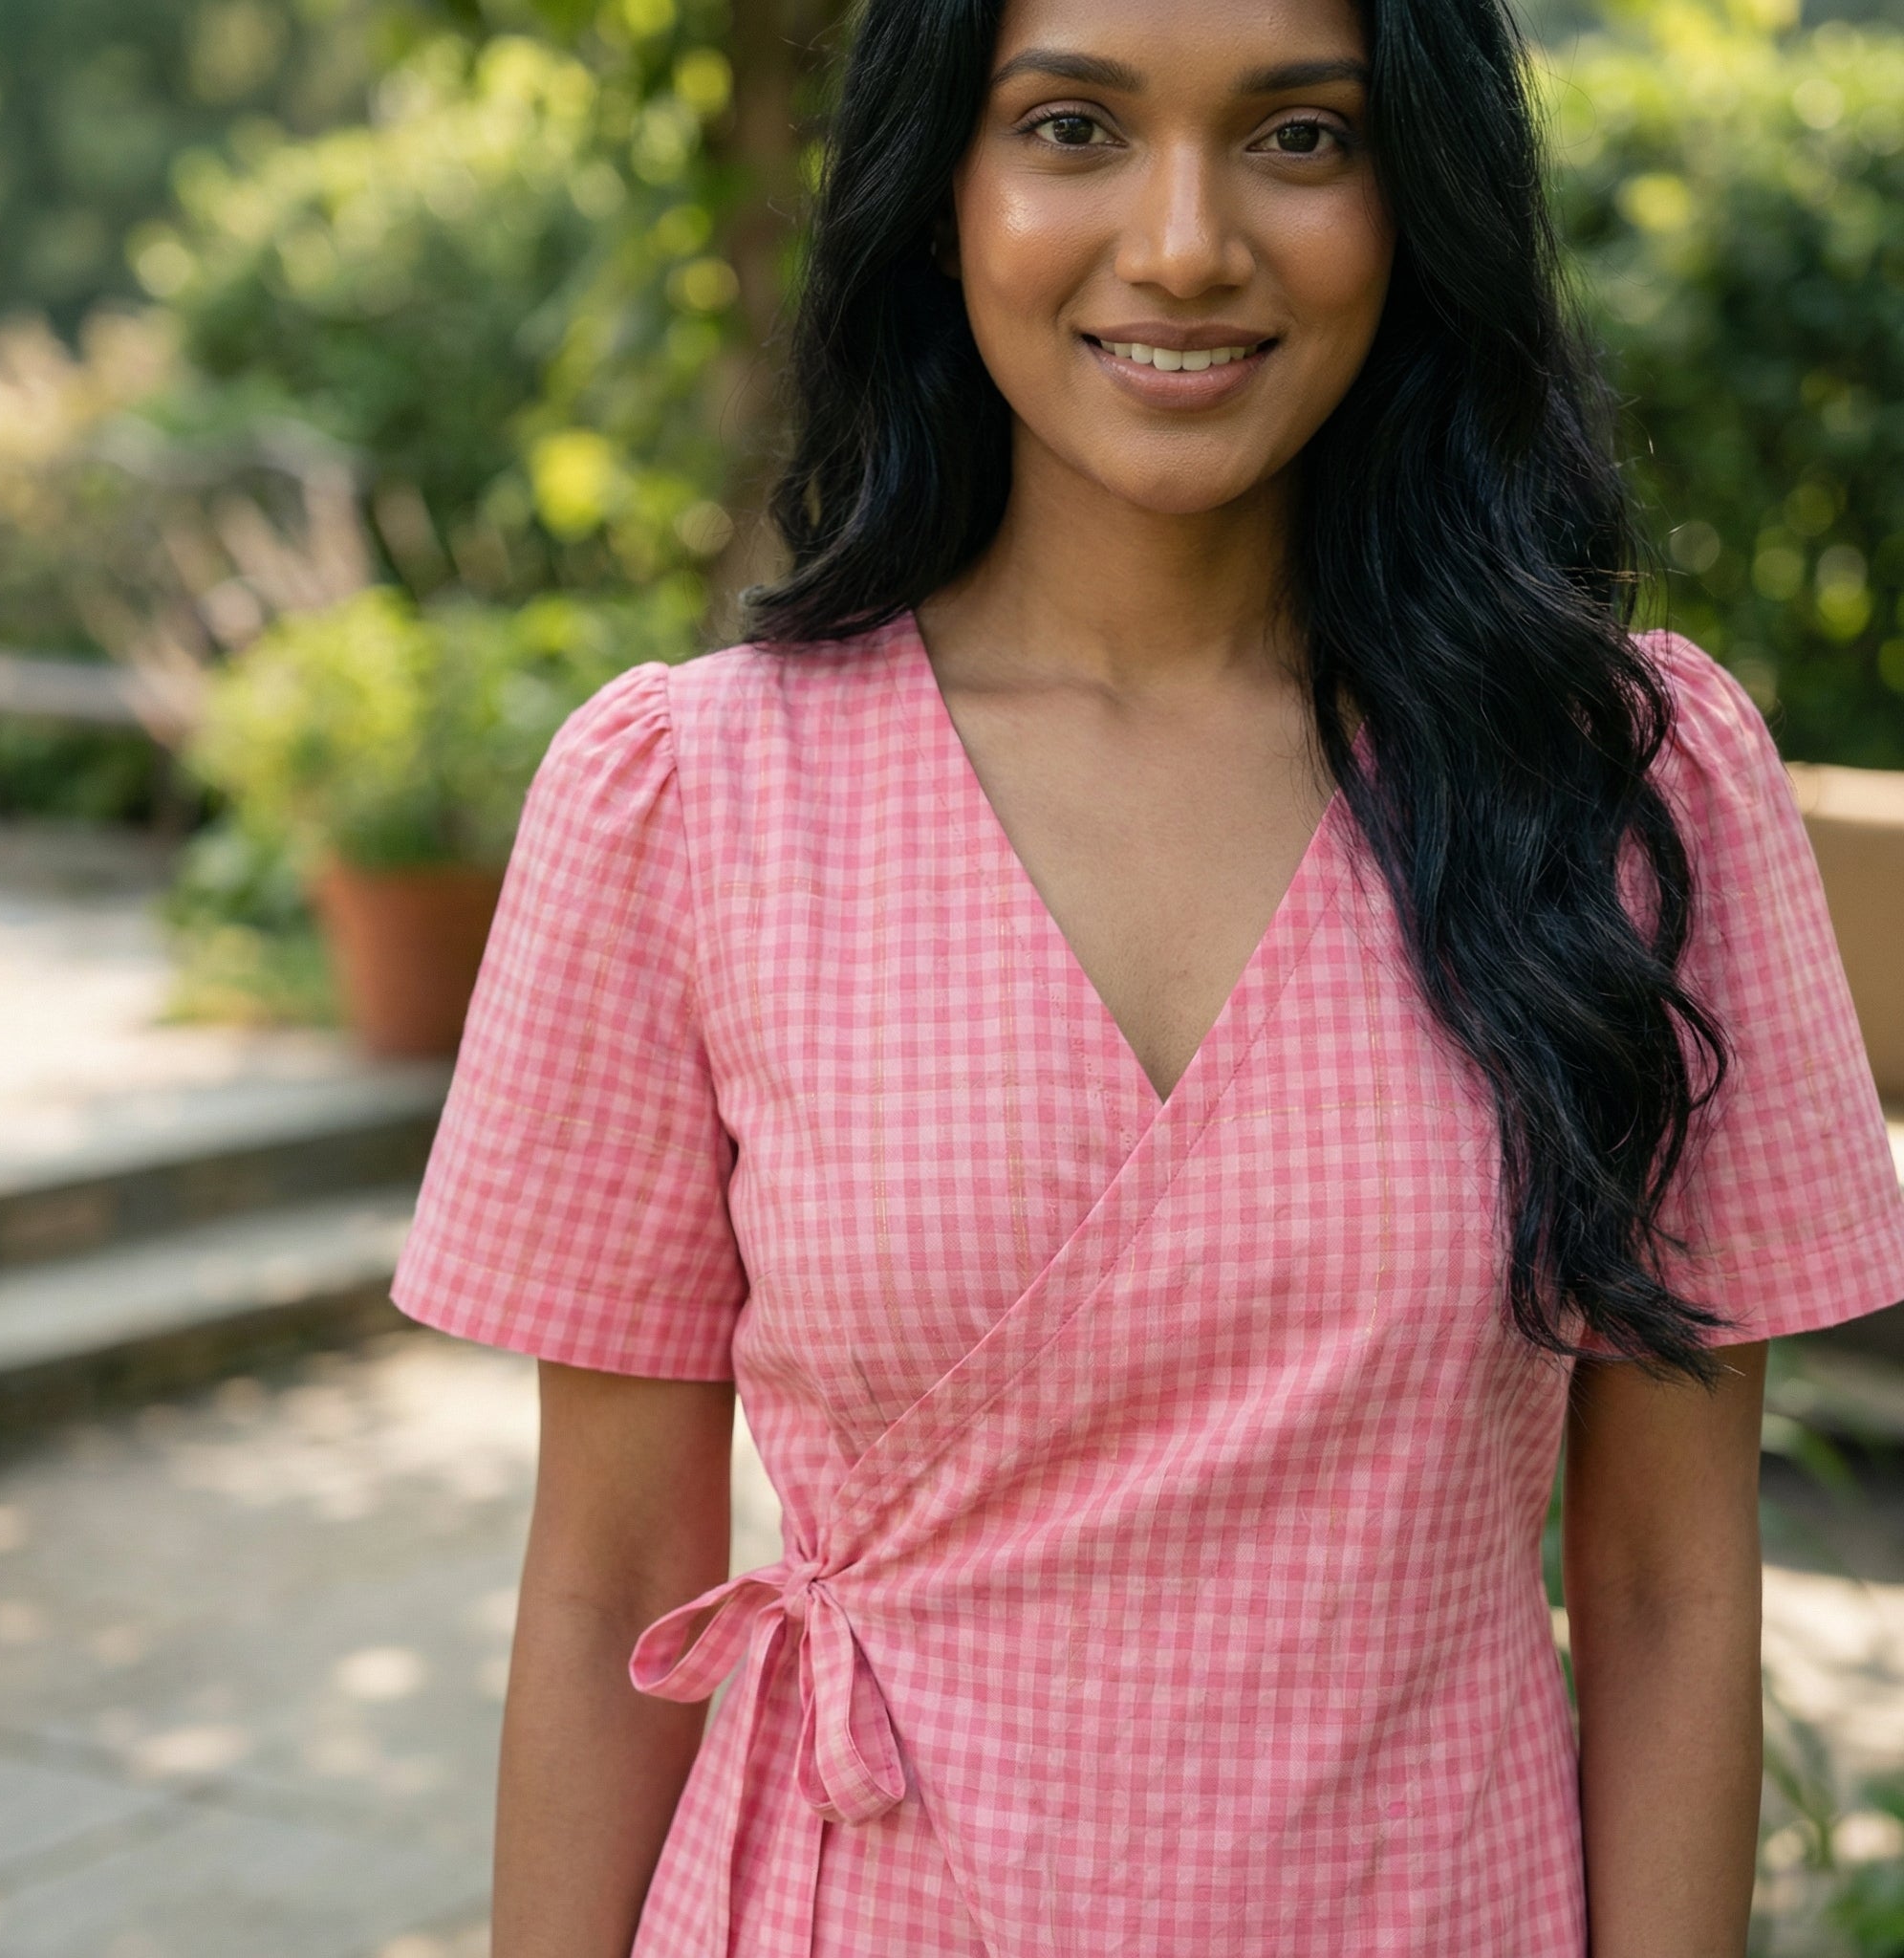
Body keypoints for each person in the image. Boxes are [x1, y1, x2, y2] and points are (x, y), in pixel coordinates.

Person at [387, 0, 1904, 1950]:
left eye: (1298, 137)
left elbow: (1673, 1587)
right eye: (1073, 126)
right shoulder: (690, 801)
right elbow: (606, 1578)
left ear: (1414, 193)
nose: (1185, 242)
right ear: (942, 193)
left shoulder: (1622, 793)